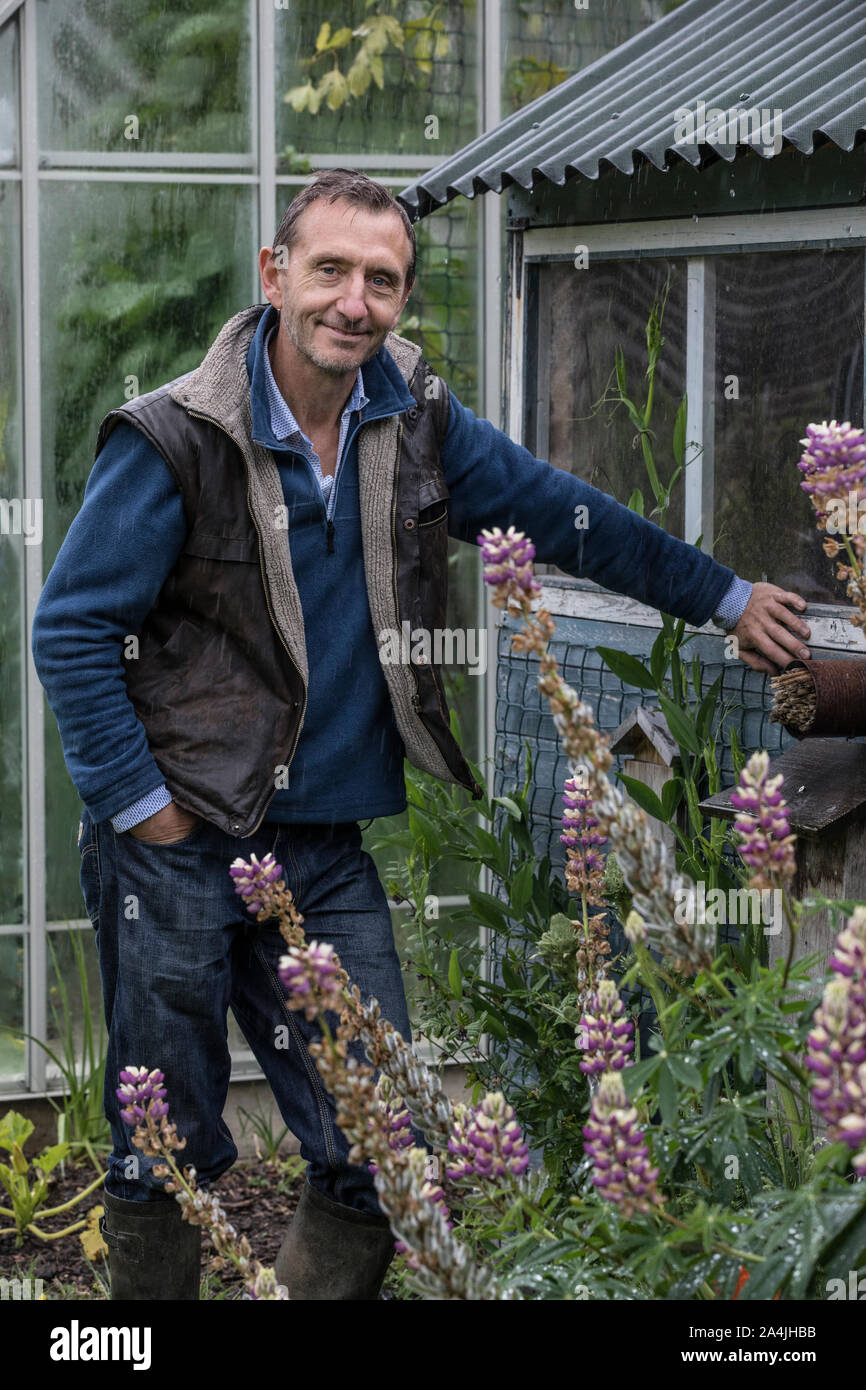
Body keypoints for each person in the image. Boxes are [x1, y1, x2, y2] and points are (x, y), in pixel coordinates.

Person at [31, 168, 812, 1301]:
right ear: (275, 276)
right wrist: (142, 810)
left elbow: (564, 515)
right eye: (331, 270)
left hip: (322, 846)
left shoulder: (416, 419)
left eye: (382, 281)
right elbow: (70, 630)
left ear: (401, 297)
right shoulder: (175, 440)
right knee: (162, 1154)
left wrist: (727, 599)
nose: (355, 301)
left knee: (380, 1149)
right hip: (180, 843)